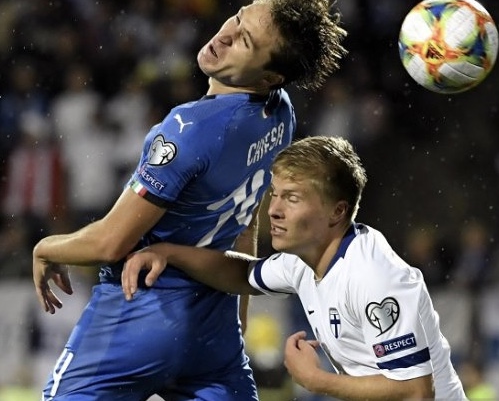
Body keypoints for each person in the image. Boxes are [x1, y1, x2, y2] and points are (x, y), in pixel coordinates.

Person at [32, 0, 347, 399]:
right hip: (213, 331)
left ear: (270, 76)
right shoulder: (280, 115)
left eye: (245, 41)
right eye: (236, 18)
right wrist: (238, 316)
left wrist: (46, 247)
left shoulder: (188, 129)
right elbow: (246, 219)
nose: (225, 35)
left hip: (138, 315)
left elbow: (111, 243)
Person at [123, 136, 468, 400]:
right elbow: (242, 274)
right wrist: (169, 252)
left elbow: (416, 391)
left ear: (337, 212)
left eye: (292, 198)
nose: (273, 210)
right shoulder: (302, 261)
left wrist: (315, 380)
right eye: (275, 194)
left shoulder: (374, 277)